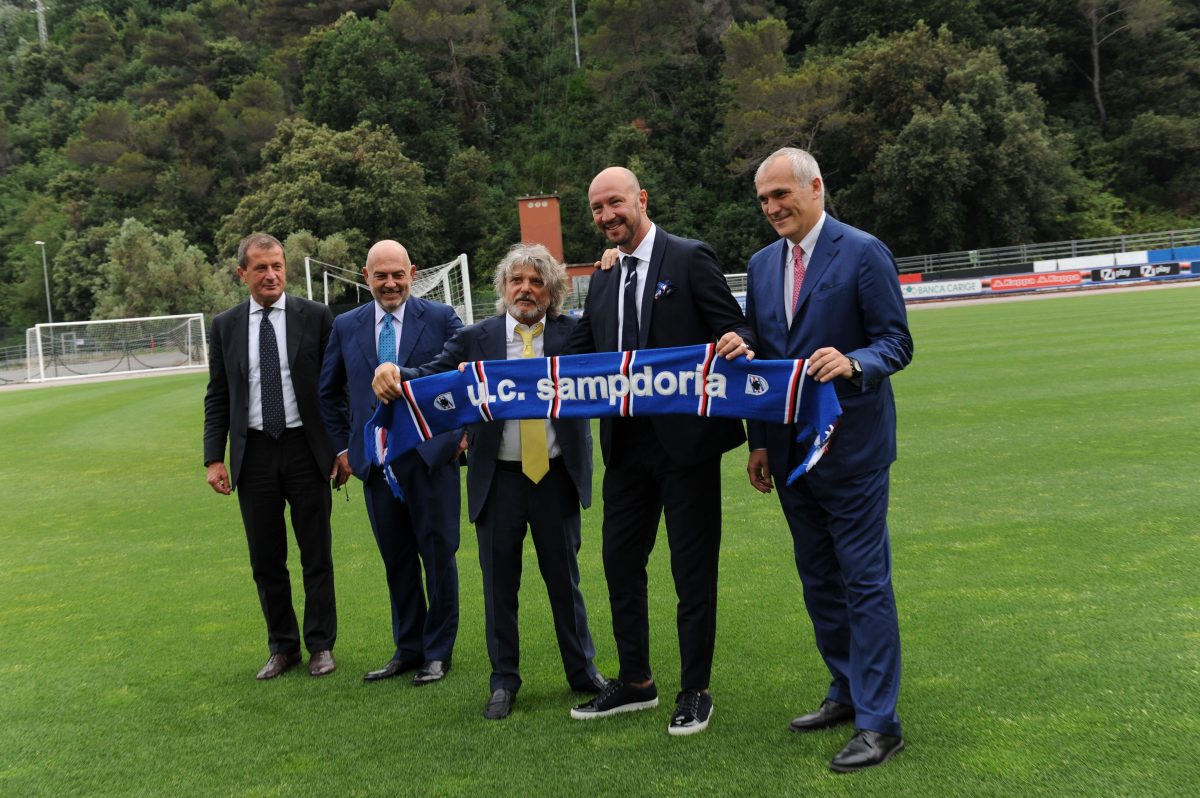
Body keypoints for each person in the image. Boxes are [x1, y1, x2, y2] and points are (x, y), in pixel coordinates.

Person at [373, 243, 607, 720]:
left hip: (556, 477)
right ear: (502, 287)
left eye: (536, 281)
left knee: (565, 582)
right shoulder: (475, 338)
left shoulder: (574, 334)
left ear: (552, 291)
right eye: (516, 280)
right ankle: (503, 681)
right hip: (497, 480)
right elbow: (427, 375)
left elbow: (624, 354)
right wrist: (394, 371)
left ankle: (582, 671)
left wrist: (608, 272)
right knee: (500, 586)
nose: (526, 289)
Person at [562, 166, 753, 736]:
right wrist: (503, 366)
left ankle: (695, 689)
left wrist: (738, 341)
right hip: (625, 448)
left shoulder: (690, 257)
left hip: (686, 446)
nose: (606, 216)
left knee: (692, 571)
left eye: (614, 203)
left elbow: (738, 328)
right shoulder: (602, 278)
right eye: (597, 208)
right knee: (620, 564)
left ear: (641, 199)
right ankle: (636, 681)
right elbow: (576, 354)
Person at [745, 147, 913, 772]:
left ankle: (880, 723)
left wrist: (853, 362)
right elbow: (762, 354)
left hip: (853, 451)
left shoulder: (863, 251)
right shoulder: (762, 264)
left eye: (781, 194)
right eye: (764, 199)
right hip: (790, 453)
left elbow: (896, 342)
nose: (772, 208)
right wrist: (759, 441)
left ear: (815, 188)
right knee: (818, 580)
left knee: (864, 583)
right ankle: (845, 690)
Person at [318, 240, 463, 686]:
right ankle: (408, 648)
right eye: (380, 275)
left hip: (429, 459)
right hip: (377, 466)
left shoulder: (441, 318)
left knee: (438, 558)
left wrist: (459, 437)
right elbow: (328, 392)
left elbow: (466, 376)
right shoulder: (346, 325)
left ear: (412, 273)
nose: (390, 283)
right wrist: (345, 450)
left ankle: (437, 652)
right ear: (366, 277)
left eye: (398, 274)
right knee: (396, 559)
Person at [203, 232, 338, 680]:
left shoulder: (316, 317)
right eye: (260, 267)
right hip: (255, 452)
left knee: (316, 553)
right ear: (242, 273)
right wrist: (214, 458)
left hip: (306, 449)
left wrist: (340, 448)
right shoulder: (225, 326)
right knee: (265, 559)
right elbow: (218, 395)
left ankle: (321, 645)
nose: (271, 275)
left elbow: (335, 389)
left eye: (277, 266)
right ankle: (283, 647)